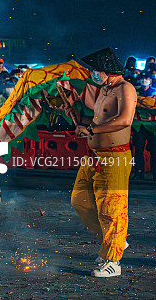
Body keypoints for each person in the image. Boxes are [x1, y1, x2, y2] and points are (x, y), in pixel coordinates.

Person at [69, 48, 136, 278]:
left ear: (108, 70)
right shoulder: (103, 90)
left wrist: (91, 128)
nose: (92, 74)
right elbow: (96, 119)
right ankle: (114, 242)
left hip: (114, 157)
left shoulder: (125, 88)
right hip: (93, 155)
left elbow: (125, 120)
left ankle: (113, 261)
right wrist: (72, 112)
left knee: (111, 210)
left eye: (95, 70)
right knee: (80, 200)